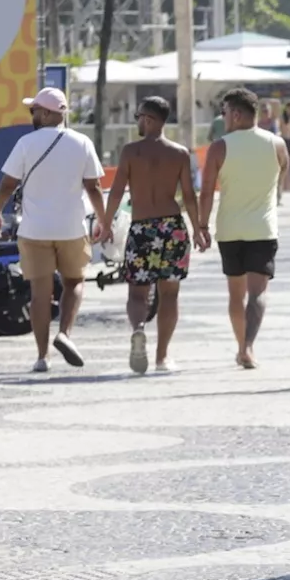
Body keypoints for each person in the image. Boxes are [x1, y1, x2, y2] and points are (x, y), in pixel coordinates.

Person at [0, 88, 106, 373]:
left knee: (40, 294)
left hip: (34, 230)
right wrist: (103, 219)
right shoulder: (82, 142)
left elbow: (7, 184)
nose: (32, 116)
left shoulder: (27, 143)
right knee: (75, 282)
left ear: (47, 113)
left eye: (35, 110)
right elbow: (93, 187)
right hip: (72, 228)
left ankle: (42, 357)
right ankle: (64, 333)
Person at [98, 97, 204, 374]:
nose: (137, 122)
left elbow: (118, 191)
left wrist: (106, 225)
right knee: (169, 295)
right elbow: (189, 197)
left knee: (137, 294)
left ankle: (139, 329)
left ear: (148, 119)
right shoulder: (180, 153)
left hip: (142, 228)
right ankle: (162, 357)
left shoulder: (131, 152)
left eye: (138, 117)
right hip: (172, 228)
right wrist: (199, 229)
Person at [197, 88, 288, 370]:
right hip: (263, 228)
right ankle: (248, 347)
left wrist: (202, 225)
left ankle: (241, 347)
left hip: (230, 229)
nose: (223, 118)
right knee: (258, 292)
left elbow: (207, 192)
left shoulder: (219, 147)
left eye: (224, 113)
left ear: (236, 114)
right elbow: (281, 179)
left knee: (236, 295)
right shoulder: (277, 144)